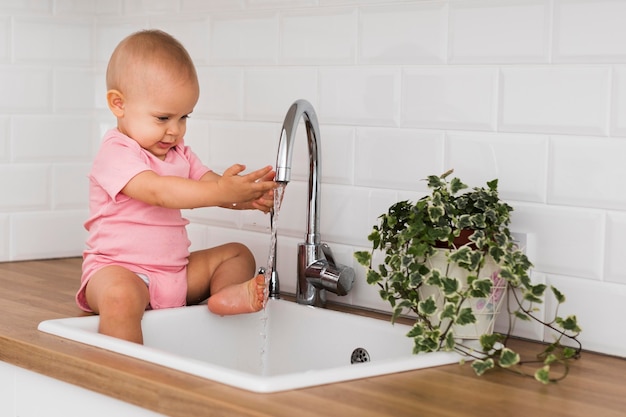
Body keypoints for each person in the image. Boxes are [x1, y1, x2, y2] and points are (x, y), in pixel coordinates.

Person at [75, 29, 276, 344]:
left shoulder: (178, 151)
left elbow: (208, 183)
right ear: (119, 104)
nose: (175, 131)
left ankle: (224, 297)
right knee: (120, 298)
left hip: (175, 274)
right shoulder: (116, 152)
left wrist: (243, 195)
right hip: (119, 270)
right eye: (163, 118)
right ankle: (130, 377)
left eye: (184, 117)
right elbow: (159, 192)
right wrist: (223, 192)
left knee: (238, 255)